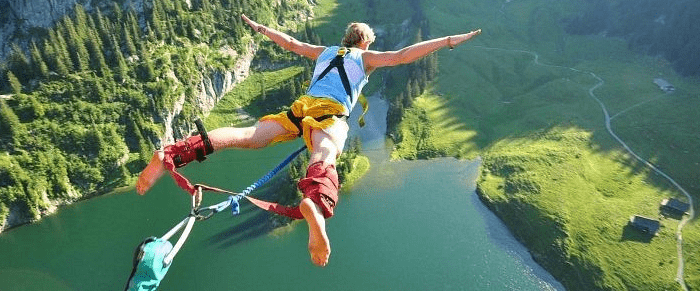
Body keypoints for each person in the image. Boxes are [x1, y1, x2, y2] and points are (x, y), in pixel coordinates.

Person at [136, 14, 481, 266]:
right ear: (364, 42)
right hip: (330, 113)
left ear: (345, 37)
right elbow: (404, 55)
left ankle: (172, 154)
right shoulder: (366, 58)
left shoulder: (325, 51)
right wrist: (449, 41)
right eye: (369, 43)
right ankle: (314, 202)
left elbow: (290, 43)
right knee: (325, 152)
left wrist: (261, 28)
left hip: (301, 108)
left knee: (248, 135)